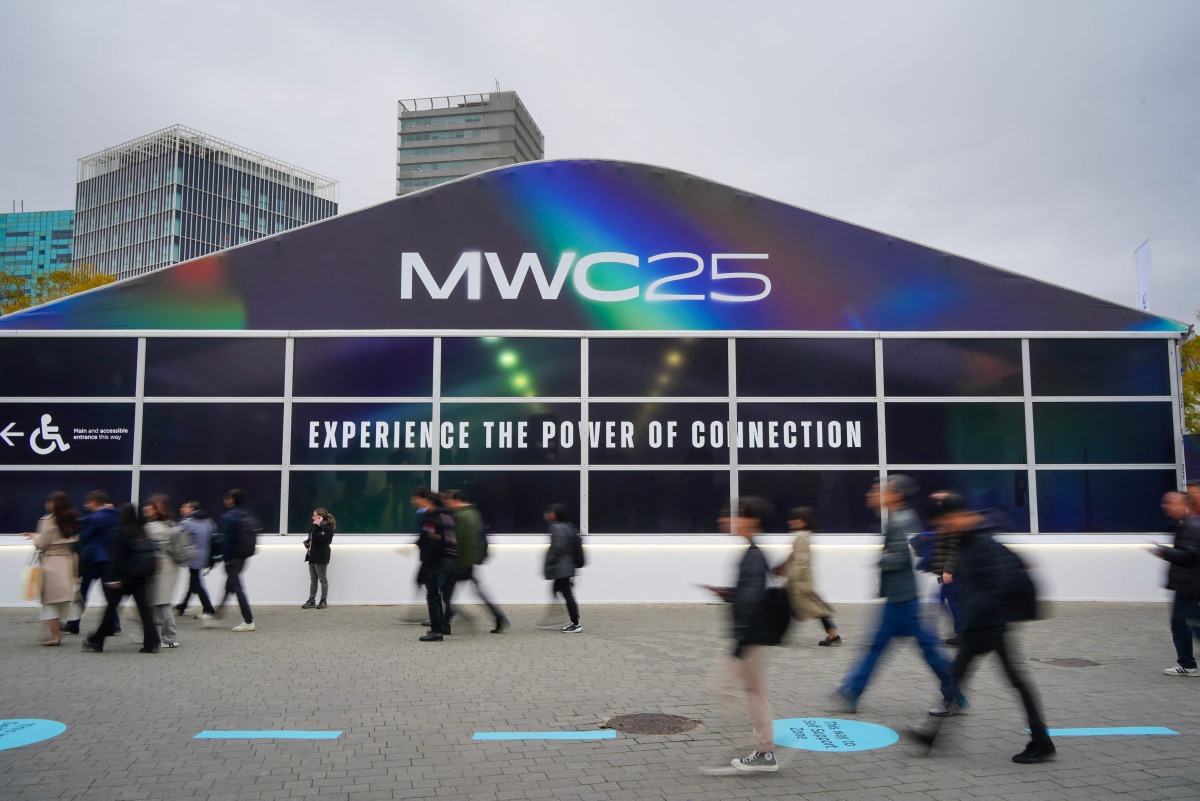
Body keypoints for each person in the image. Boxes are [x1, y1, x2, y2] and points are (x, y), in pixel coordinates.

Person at [911, 491, 1054, 764]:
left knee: (1012, 681)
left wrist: (978, 618)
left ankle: (1041, 741)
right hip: (982, 624)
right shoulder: (969, 539)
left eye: (944, 523)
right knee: (960, 677)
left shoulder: (981, 542)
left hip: (989, 625)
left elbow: (997, 584)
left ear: (955, 517)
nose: (942, 529)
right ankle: (931, 736)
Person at [832, 476, 960, 714]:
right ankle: (853, 689)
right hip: (902, 597)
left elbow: (902, 557)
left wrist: (882, 557)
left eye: (880, 491)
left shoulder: (899, 521)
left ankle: (954, 694)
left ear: (896, 496)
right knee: (881, 646)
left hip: (908, 600)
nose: (873, 494)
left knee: (925, 651)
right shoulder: (901, 518)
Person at [700, 496, 779, 774]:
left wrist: (740, 642)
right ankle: (764, 749)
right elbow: (748, 596)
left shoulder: (753, 556)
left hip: (748, 636)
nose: (727, 520)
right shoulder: (752, 553)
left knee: (729, 689)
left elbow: (753, 601)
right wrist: (728, 593)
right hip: (751, 635)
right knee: (752, 691)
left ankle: (762, 750)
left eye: (735, 515)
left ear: (752, 521)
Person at [83, 504, 161, 654]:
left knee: (111, 610)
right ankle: (152, 642)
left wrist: (114, 579)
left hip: (124, 579)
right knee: (145, 611)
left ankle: (97, 640)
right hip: (140, 577)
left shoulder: (121, 532)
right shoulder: (141, 530)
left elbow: (117, 558)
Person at [442, 489, 509, 633]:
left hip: (460, 562)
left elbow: (459, 541)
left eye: (448, 501)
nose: (447, 504)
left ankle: (445, 623)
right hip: (469, 560)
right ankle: (498, 616)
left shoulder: (461, 515)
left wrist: (459, 562)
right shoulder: (474, 513)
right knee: (469, 591)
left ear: (455, 500)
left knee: (447, 594)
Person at [1151, 490, 1200, 676]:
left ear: (1183, 504)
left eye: (1170, 502)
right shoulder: (1186, 524)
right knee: (1188, 624)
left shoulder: (1191, 526)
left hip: (1190, 586)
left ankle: (1187, 664)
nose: (1165, 506)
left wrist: (1164, 552)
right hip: (1188, 585)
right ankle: (1187, 664)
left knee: (1184, 625)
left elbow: (1190, 555)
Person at [775, 506, 839, 646]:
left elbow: (801, 562)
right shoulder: (803, 536)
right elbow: (794, 557)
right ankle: (833, 635)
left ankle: (778, 637)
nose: (791, 522)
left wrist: (790, 578)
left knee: (794, 608)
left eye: (795, 520)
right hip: (800, 580)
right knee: (810, 607)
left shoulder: (802, 537)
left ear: (804, 521)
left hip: (799, 581)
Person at [24, 491, 79, 646]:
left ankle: (54, 636)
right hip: (68, 561)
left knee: (50, 601)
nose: (47, 504)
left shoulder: (48, 521)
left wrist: (35, 537)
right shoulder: (71, 519)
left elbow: (41, 544)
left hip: (51, 563)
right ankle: (57, 630)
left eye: (49, 501)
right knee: (62, 598)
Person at [64, 490, 119, 635]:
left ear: (93, 501)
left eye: (88, 502)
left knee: (82, 594)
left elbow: (85, 537)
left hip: (93, 561)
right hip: (110, 560)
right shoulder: (115, 515)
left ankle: (74, 623)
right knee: (109, 595)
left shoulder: (95, 518)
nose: (86, 504)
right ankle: (114, 624)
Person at [205, 488, 258, 632]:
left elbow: (226, 540)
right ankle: (216, 618)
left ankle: (248, 621)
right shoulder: (248, 514)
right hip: (243, 556)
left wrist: (225, 558)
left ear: (231, 500)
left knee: (237, 587)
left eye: (226, 498)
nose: (225, 501)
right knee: (230, 586)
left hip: (232, 558)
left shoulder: (228, 517)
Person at [411, 488, 457, 641]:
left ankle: (437, 631)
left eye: (416, 498)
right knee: (444, 595)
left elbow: (431, 541)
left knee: (433, 597)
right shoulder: (446, 514)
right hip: (450, 559)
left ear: (425, 500)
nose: (414, 502)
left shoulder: (430, 518)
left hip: (435, 562)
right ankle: (444, 626)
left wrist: (426, 560)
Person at [143, 494, 186, 648]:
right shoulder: (172, 524)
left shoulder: (152, 528)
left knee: (161, 603)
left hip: (161, 567)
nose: (146, 508)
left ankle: (169, 637)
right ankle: (160, 635)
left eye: (151, 506)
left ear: (158, 510)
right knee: (160, 602)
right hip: (170, 566)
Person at [543, 503, 582, 633]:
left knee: (566, 594)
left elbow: (558, 547)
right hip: (567, 566)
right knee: (560, 591)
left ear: (557, 514)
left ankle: (575, 623)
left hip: (562, 568)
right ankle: (557, 617)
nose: (548, 514)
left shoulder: (557, 528)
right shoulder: (568, 526)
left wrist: (550, 560)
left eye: (551, 512)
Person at [175, 500, 217, 620]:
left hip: (193, 556)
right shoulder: (209, 520)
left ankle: (208, 609)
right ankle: (182, 606)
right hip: (205, 554)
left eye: (185, 507)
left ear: (192, 509)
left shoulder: (187, 522)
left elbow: (176, 537)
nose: (182, 509)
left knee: (196, 583)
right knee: (194, 581)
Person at [302, 507, 334, 609]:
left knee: (322, 579)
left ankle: (323, 600)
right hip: (312, 554)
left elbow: (320, 539)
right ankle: (312, 600)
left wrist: (315, 527)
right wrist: (307, 542)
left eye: (315, 516)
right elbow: (312, 537)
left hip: (321, 555)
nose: (313, 517)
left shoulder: (327, 529)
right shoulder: (314, 527)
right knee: (313, 579)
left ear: (320, 517)